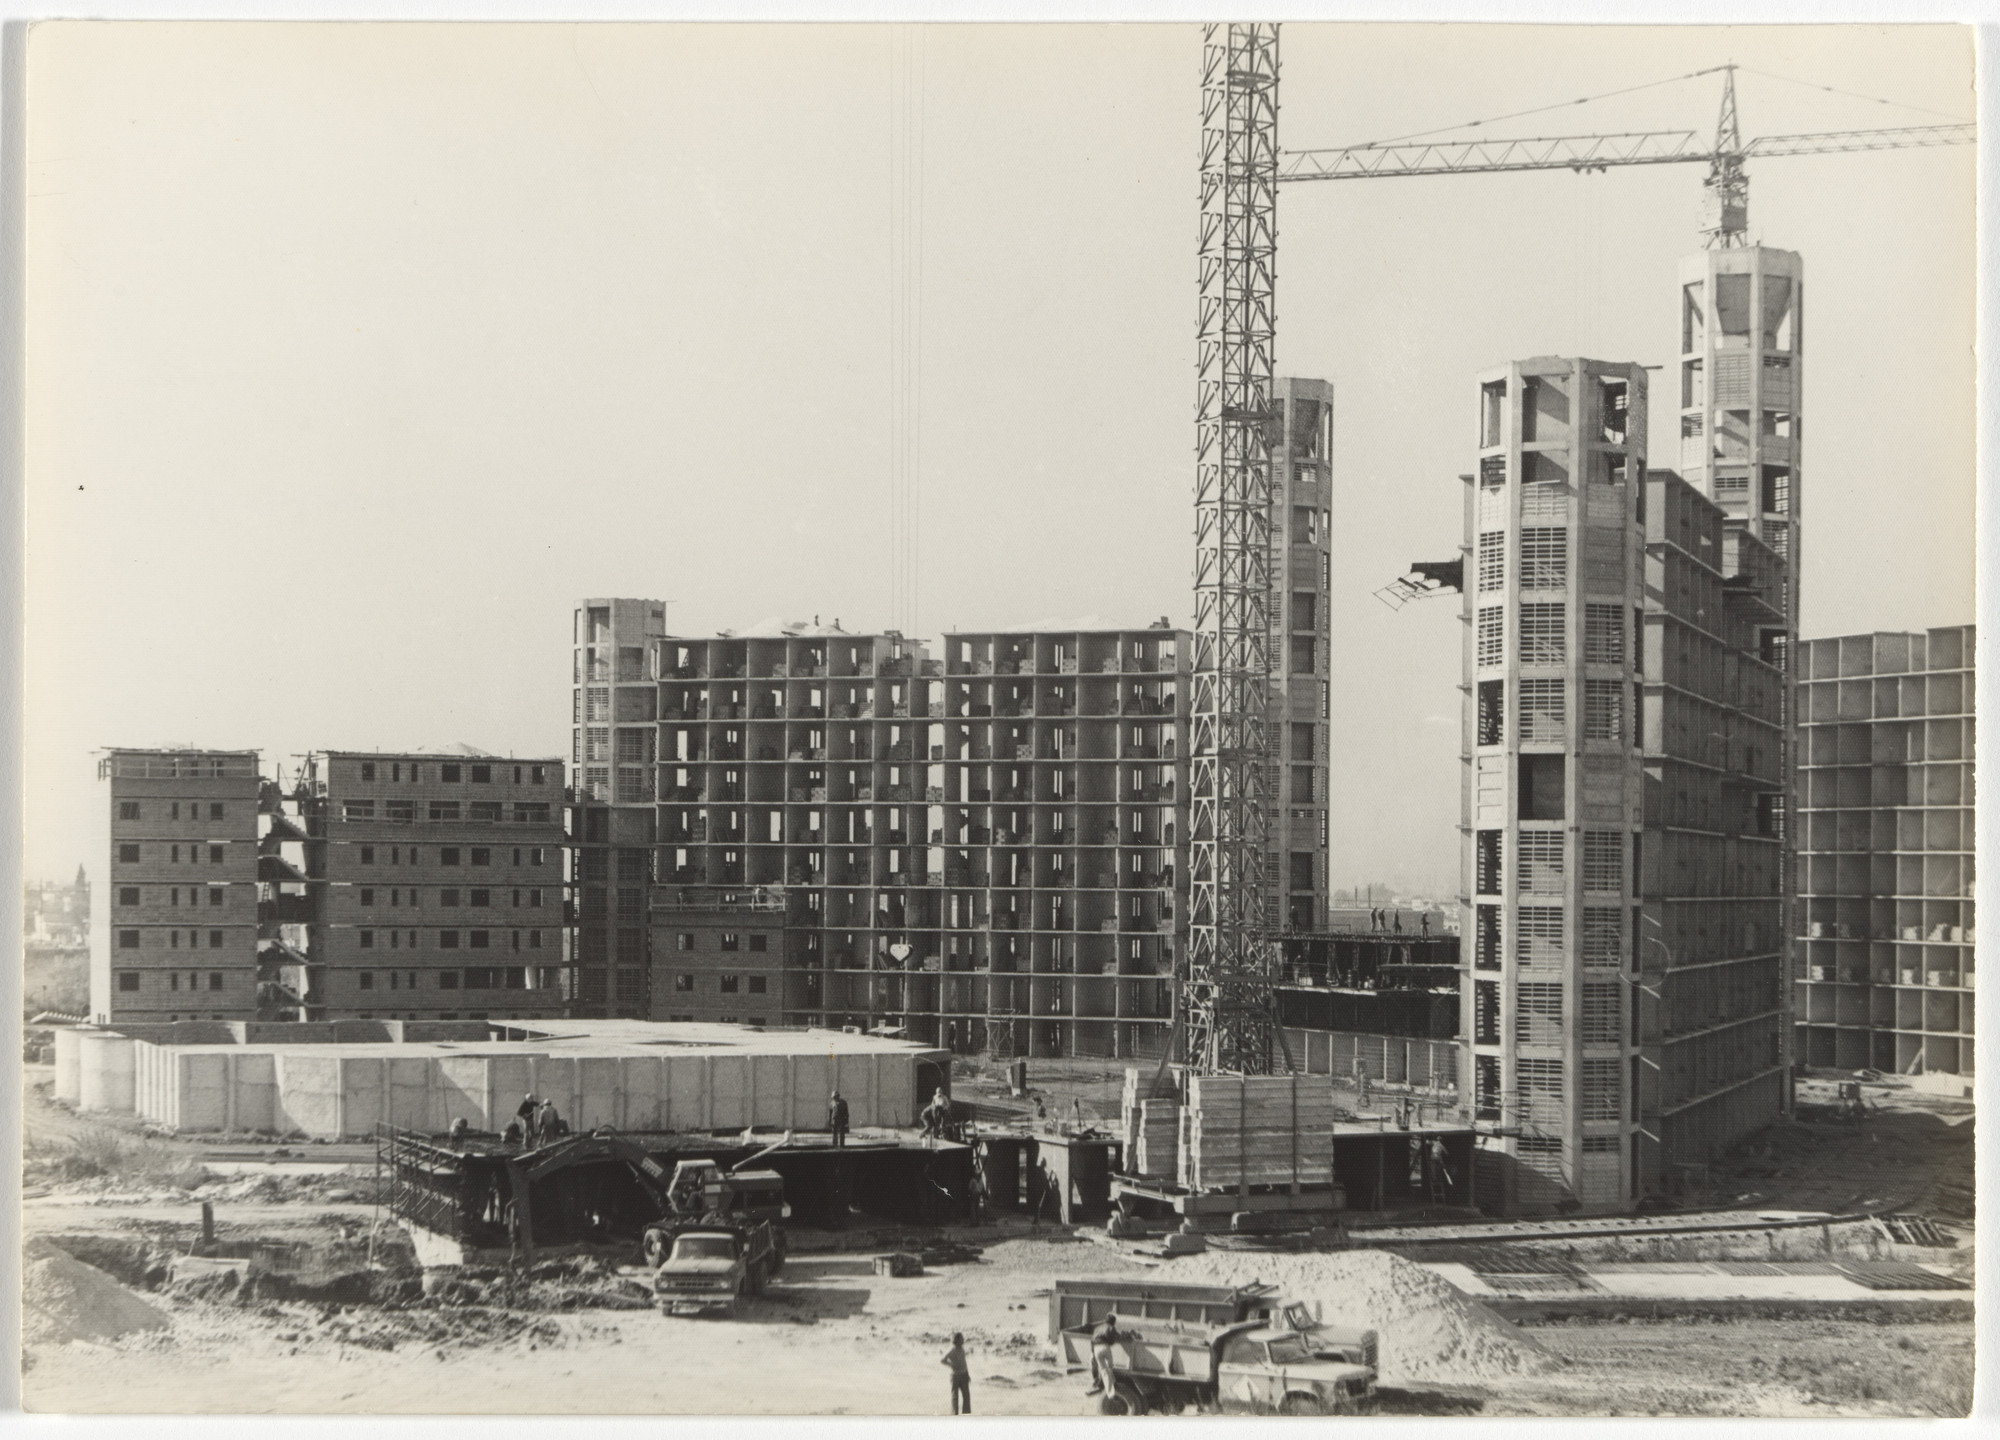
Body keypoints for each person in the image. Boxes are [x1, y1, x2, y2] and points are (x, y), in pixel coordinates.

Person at [1086, 1313, 1134, 1396]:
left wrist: (1093, 1353)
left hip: (1096, 1348)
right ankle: (1112, 1387)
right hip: (1105, 1347)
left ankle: (1097, 1382)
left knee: (1102, 1369)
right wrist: (1127, 1336)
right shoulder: (1111, 1327)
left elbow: (1092, 1340)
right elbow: (1116, 1337)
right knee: (1109, 1368)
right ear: (1113, 1322)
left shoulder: (1098, 1328)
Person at [941, 1331, 971, 1415]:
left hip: (964, 1374)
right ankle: (955, 1415)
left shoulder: (962, 1349)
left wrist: (967, 1374)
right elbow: (943, 1360)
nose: (963, 1340)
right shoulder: (952, 1350)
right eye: (961, 1339)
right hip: (955, 1376)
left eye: (963, 1338)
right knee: (955, 1397)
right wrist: (951, 1364)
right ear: (956, 1340)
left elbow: (964, 1363)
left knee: (966, 1397)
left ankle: (966, 1415)